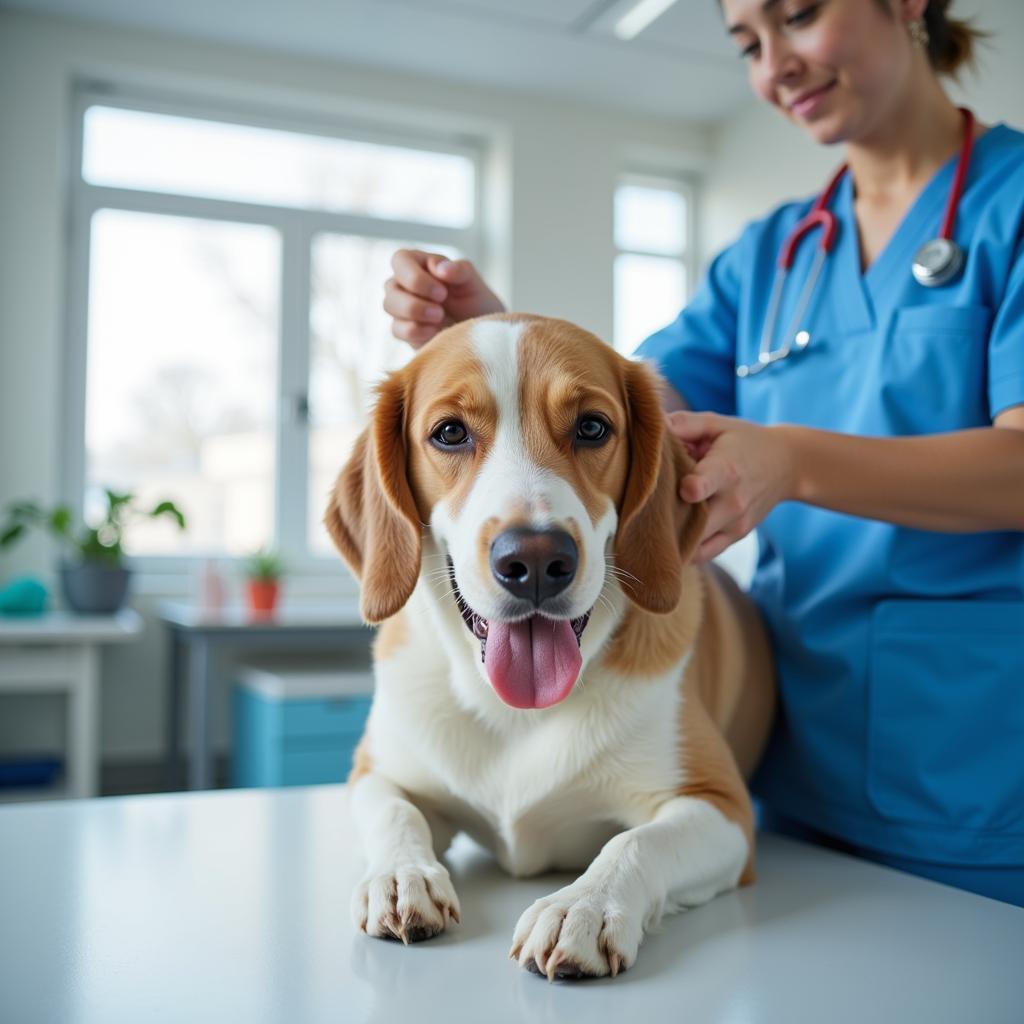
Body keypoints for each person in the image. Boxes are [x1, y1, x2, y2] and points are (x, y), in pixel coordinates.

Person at [381, 0, 1024, 906]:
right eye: (748, 44)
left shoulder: (1016, 205)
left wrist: (791, 460)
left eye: (798, 16)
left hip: (978, 765)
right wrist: (497, 342)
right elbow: (628, 421)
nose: (775, 66)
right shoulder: (768, 258)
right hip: (794, 765)